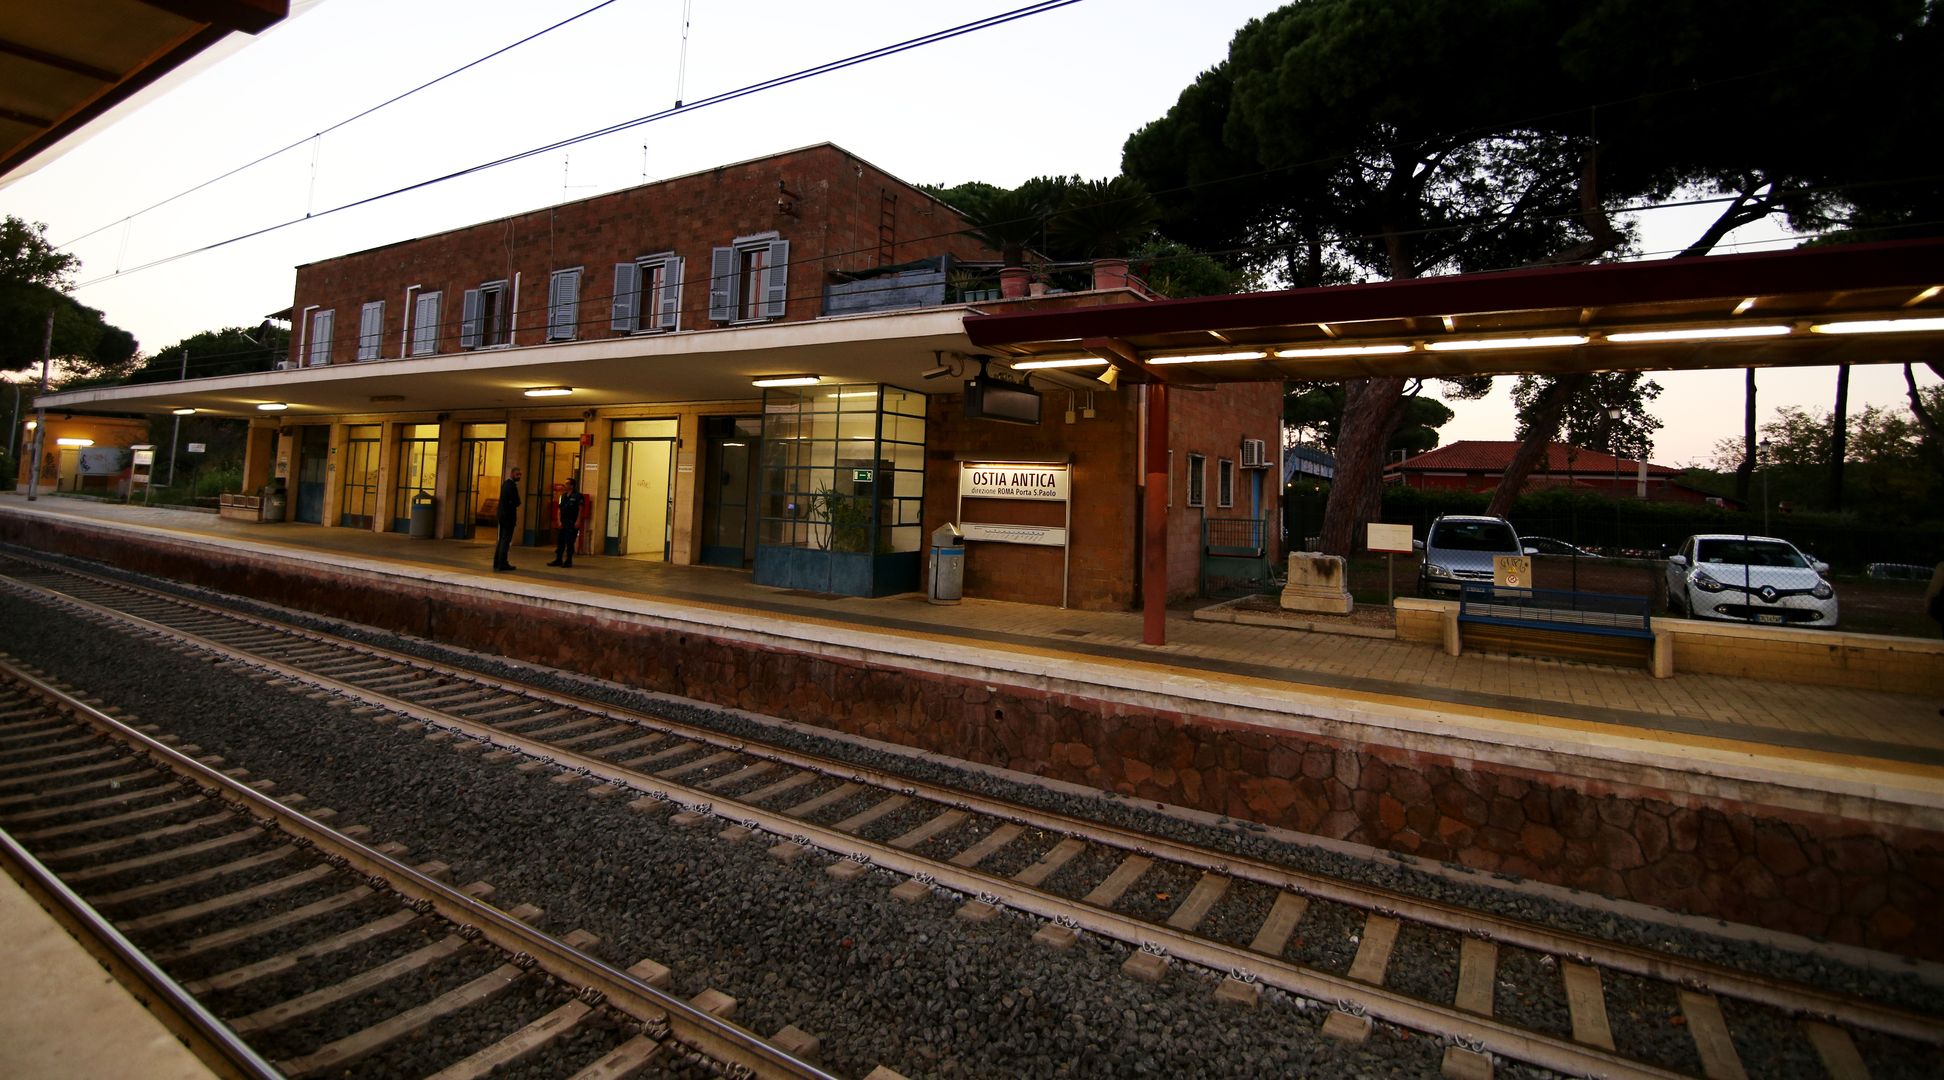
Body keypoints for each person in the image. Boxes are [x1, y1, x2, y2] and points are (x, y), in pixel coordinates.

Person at [547, 476, 585, 567]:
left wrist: (578, 521)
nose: (565, 485)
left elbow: (580, 509)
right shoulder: (563, 496)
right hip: (563, 521)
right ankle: (558, 559)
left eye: (567, 483)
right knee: (560, 541)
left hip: (572, 522)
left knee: (570, 541)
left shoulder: (578, 496)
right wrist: (559, 520)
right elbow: (559, 509)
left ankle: (568, 560)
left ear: (572, 486)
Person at [493, 466, 522, 571]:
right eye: (517, 474)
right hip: (508, 517)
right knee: (506, 540)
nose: (519, 476)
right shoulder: (511, 486)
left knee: (501, 539)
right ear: (512, 474)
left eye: (520, 475)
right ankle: (502, 563)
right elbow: (517, 502)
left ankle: (497, 562)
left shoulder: (505, 484)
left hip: (502, 516)